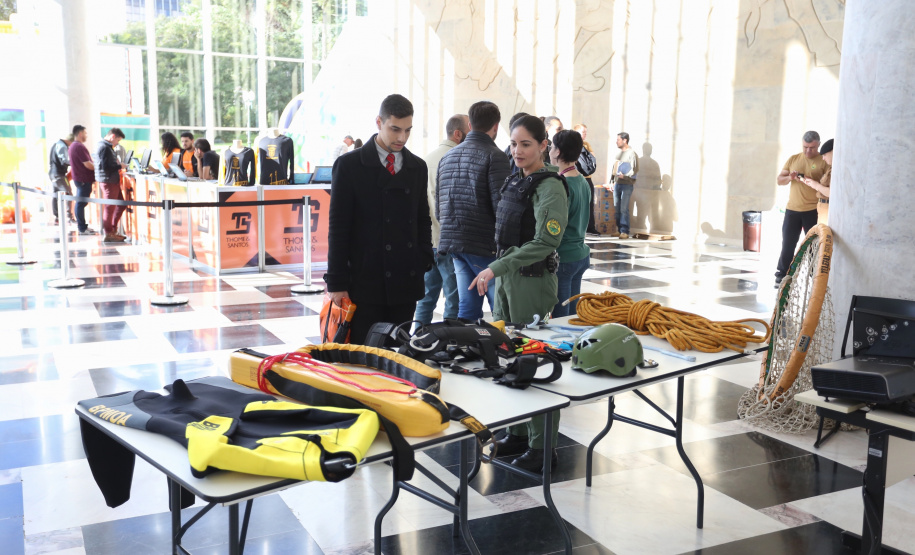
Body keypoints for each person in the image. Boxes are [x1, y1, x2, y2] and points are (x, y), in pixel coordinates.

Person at [470, 115, 568, 472]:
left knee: (536, 359)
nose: (517, 151)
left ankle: (544, 449)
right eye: (513, 143)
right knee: (509, 355)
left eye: (526, 144)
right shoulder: (517, 179)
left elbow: (546, 241)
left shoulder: (550, 187)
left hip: (531, 281)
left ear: (544, 145)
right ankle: (519, 432)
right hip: (509, 280)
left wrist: (497, 268)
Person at [324, 94, 433, 344]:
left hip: (405, 280)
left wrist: (423, 257)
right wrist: (336, 282)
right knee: (364, 357)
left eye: (407, 130)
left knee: (399, 355)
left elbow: (421, 218)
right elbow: (338, 228)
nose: (401, 138)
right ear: (378, 122)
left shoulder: (417, 167)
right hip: (365, 281)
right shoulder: (349, 165)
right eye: (395, 129)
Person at [437, 100, 511, 320]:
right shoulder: (495, 156)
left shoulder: (448, 156)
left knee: (467, 307)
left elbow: (440, 203)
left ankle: (465, 349)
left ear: (470, 124)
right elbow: (502, 207)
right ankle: (503, 350)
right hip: (483, 245)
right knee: (501, 307)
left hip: (454, 242)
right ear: (496, 127)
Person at [414, 114, 469, 327]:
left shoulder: (426, 159)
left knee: (426, 298)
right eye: (469, 131)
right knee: (454, 299)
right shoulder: (457, 158)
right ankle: (450, 341)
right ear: (458, 133)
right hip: (449, 241)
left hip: (429, 241)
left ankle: (418, 338)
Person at [775, 131, 825, 286]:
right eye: (805, 147)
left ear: (818, 145)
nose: (808, 151)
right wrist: (790, 178)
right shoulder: (794, 159)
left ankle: (813, 277)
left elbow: (827, 186)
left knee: (812, 245)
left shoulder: (824, 162)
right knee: (788, 243)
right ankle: (782, 275)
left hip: (813, 211)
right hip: (792, 210)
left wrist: (814, 181)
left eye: (812, 148)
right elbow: (779, 180)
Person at [550, 130, 591, 316]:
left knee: (560, 317)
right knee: (572, 316)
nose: (549, 151)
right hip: (581, 254)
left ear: (558, 152)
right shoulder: (582, 180)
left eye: (551, 147)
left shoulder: (562, 183)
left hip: (564, 257)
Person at [94, 128, 127, 242]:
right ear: (113, 136)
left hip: (110, 180)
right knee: (110, 207)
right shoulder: (105, 148)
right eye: (118, 140)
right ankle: (108, 232)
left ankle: (112, 229)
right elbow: (106, 167)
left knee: (121, 204)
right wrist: (120, 166)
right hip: (109, 181)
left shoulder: (104, 146)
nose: (118, 143)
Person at [68, 125, 98, 235]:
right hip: (83, 179)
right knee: (80, 204)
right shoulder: (79, 147)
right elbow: (88, 165)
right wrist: (99, 167)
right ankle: (82, 227)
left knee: (81, 203)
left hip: (80, 179)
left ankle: (82, 226)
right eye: (85, 133)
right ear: (80, 134)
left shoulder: (73, 146)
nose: (86, 135)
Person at [611, 131, 638, 239]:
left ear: (624, 140)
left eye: (618, 139)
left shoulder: (632, 154)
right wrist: (612, 181)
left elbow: (635, 170)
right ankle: (619, 229)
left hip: (627, 184)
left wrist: (625, 176)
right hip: (617, 184)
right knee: (617, 208)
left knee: (623, 208)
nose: (616, 142)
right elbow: (614, 168)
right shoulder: (618, 154)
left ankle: (625, 231)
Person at [573, 123, 599, 235]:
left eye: (586, 132)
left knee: (590, 203)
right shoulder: (572, 143)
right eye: (583, 132)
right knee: (577, 204)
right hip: (577, 177)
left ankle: (590, 227)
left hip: (588, 178)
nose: (585, 134)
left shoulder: (586, 144)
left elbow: (592, 157)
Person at [802, 138, 833, 225]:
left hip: (827, 208)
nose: (823, 158)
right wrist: (813, 183)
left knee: (824, 237)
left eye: (825, 155)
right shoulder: (831, 168)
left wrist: (816, 186)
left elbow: (832, 193)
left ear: (832, 152)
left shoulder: (837, 170)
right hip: (823, 207)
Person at [47, 131, 74, 224]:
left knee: (55, 195)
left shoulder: (56, 144)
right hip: (59, 174)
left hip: (53, 173)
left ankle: (57, 217)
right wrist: (75, 163)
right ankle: (69, 217)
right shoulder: (62, 146)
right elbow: (65, 160)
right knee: (68, 194)